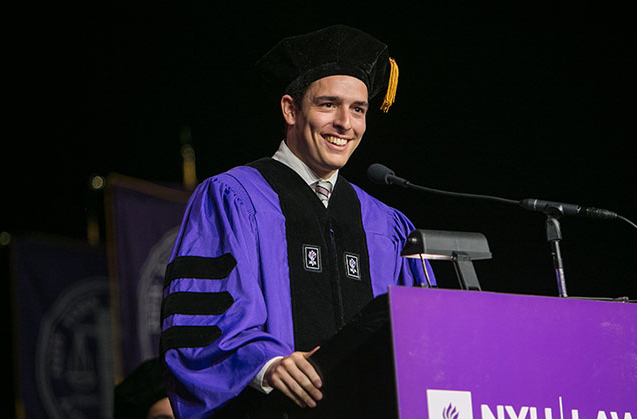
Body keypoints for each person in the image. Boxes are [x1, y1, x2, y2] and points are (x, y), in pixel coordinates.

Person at [159, 24, 434, 418]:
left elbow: (422, 334)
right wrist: (266, 366)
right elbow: (201, 318)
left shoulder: (385, 223)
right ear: (290, 109)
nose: (345, 123)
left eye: (358, 109)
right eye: (328, 105)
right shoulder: (233, 196)